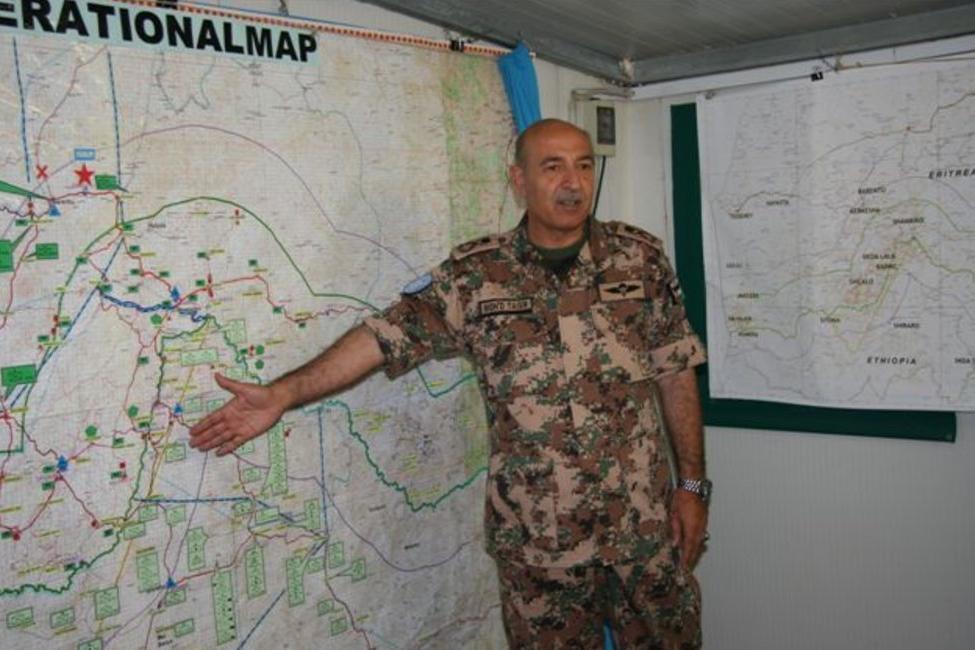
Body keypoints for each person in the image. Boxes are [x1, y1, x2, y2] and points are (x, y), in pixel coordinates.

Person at [189, 118, 710, 648]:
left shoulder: (639, 259)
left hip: (643, 528)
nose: (572, 182)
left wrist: (692, 486)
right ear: (518, 180)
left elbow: (675, 369)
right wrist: (283, 392)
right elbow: (382, 336)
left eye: (582, 165)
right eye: (552, 167)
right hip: (540, 543)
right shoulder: (476, 275)